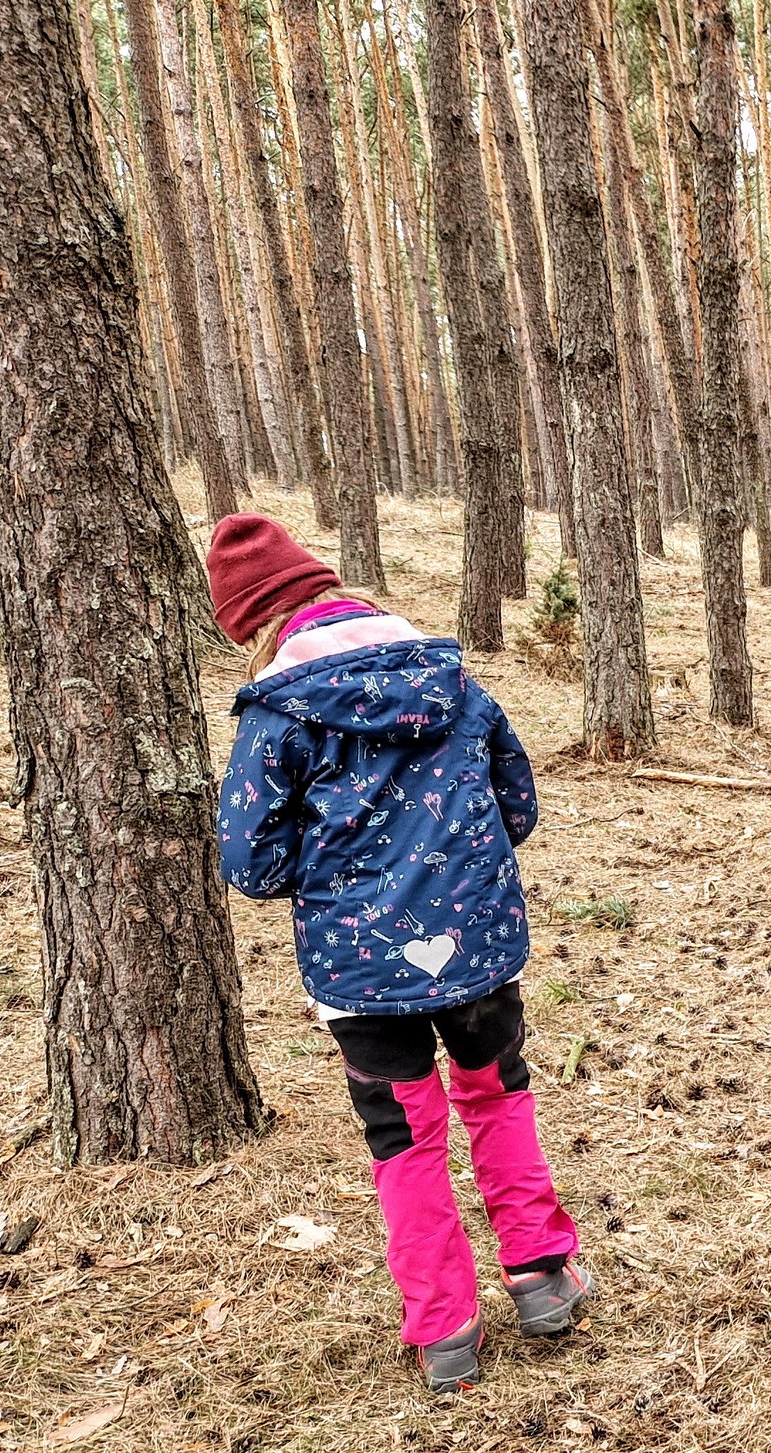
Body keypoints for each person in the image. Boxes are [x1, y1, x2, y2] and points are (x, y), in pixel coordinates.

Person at [208, 512, 589, 1393]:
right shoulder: (453, 683)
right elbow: (518, 805)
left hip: (357, 969)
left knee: (404, 1141)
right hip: (478, 945)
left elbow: (250, 863)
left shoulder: (276, 718)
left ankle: (445, 1331)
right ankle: (541, 1278)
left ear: (256, 626)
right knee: (497, 1099)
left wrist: (345, 877)